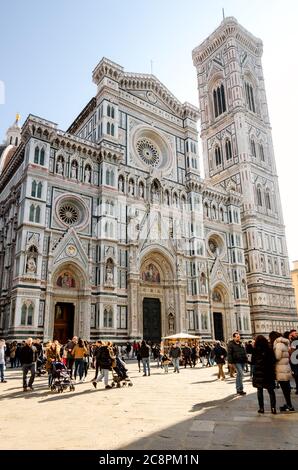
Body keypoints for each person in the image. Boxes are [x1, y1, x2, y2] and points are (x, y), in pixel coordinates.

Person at [269, 331, 295, 412]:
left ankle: (289, 406)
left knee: (285, 389)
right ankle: (289, 404)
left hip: (281, 370)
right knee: (286, 388)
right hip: (285, 368)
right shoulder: (284, 343)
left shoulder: (278, 345)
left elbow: (277, 357)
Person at [251, 335, 276, 414]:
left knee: (260, 390)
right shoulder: (269, 349)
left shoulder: (255, 349)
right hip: (268, 372)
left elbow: (252, 361)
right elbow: (274, 360)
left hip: (259, 372)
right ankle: (273, 408)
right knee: (271, 391)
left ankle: (261, 408)